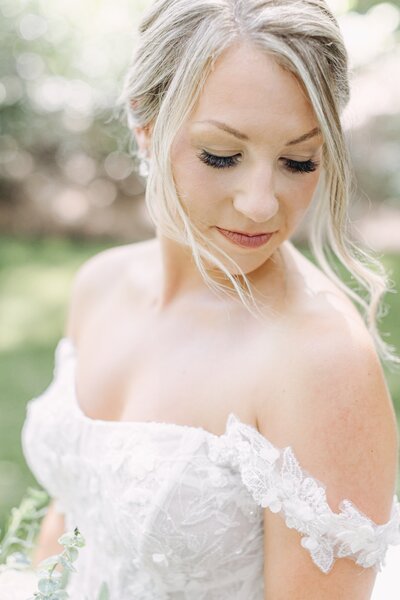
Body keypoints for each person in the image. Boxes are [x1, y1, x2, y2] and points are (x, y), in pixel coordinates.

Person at [21, 0, 400, 598]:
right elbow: (72, 512)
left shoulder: (320, 362)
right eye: (221, 155)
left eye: (299, 161)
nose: (261, 203)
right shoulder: (99, 285)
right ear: (145, 126)